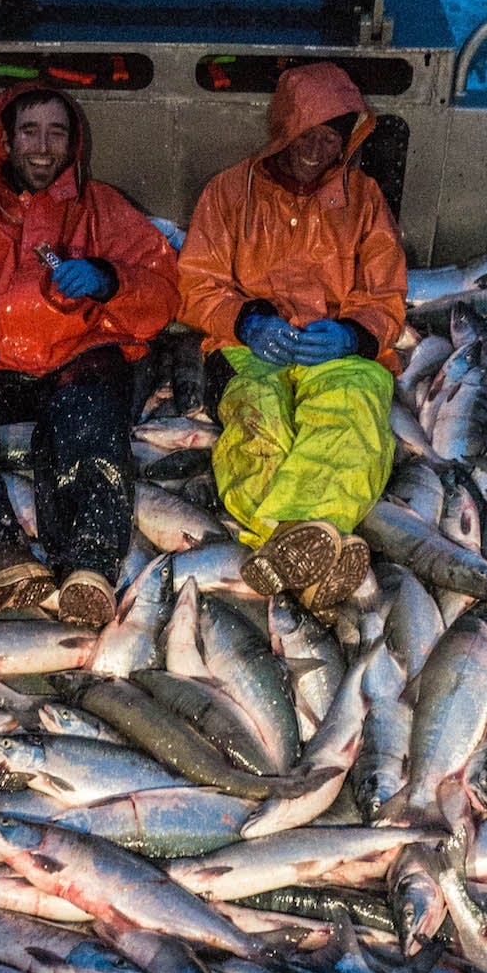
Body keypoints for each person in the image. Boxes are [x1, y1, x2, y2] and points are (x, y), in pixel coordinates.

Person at [0, 84, 179, 629]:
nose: (43, 147)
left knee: (89, 419)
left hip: (77, 359)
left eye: (57, 132)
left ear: (74, 144)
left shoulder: (105, 210)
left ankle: (87, 566)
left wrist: (109, 278)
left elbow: (163, 288)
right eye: (29, 131)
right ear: (5, 138)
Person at [177, 60, 406, 610]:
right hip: (247, 350)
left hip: (333, 349)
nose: (319, 145)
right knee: (259, 417)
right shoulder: (230, 191)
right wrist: (246, 321)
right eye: (308, 129)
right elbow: (195, 285)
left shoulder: (364, 197)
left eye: (333, 134)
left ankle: (295, 538)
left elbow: (386, 295)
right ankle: (304, 547)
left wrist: (353, 334)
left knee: (351, 410)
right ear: (283, 127)